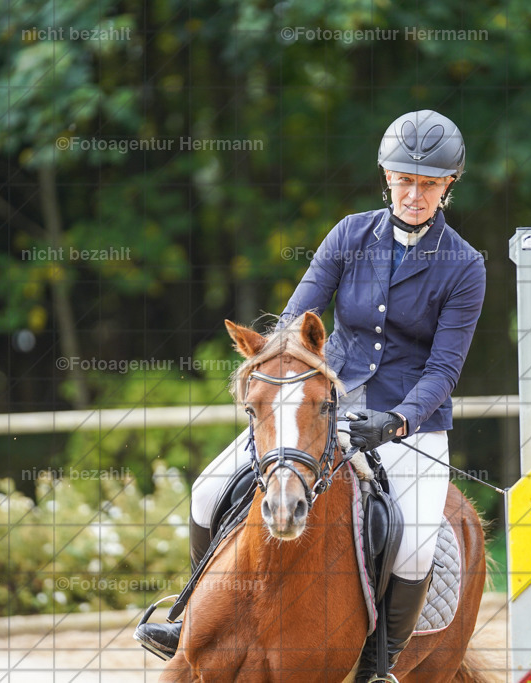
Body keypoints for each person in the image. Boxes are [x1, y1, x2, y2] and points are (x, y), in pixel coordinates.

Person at [135, 110, 486, 679]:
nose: (414, 194)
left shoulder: (465, 266)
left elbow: (444, 368)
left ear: (449, 185)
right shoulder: (350, 234)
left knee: (417, 543)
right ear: (386, 178)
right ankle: (190, 620)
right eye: (404, 180)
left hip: (409, 426)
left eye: (428, 183)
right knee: (206, 492)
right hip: (323, 408)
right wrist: (284, 375)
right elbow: (299, 323)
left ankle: (382, 664)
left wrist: (397, 420)